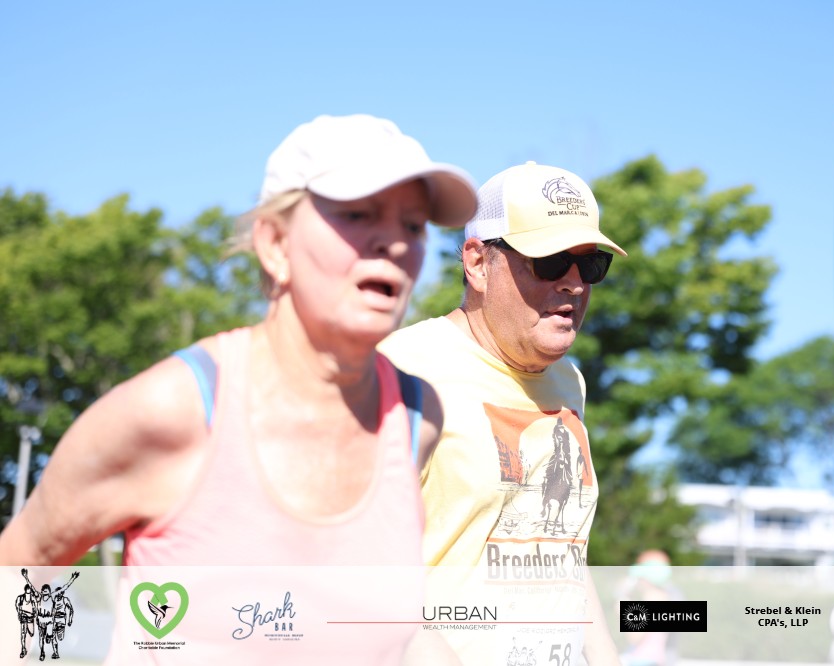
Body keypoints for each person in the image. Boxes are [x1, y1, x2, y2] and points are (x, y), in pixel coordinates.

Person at [0, 114, 478, 664]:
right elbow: (19, 572)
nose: (393, 242)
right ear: (274, 244)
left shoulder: (416, 416)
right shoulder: (174, 409)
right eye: (358, 214)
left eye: (414, 225)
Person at [379, 160, 627, 664]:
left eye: (590, 265)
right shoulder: (400, 370)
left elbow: (563, 552)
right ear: (477, 263)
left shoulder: (569, 383)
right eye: (551, 261)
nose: (575, 284)